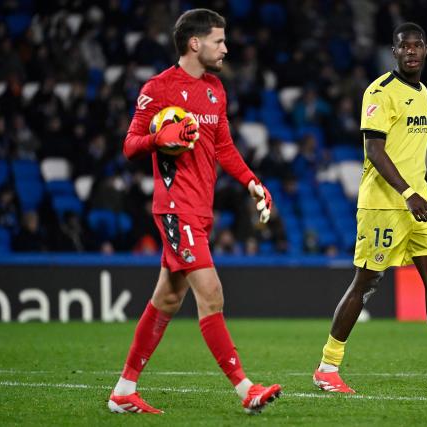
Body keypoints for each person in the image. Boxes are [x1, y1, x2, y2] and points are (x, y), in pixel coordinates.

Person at [108, 9, 281, 415]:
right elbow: (130, 145)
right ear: (194, 43)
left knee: (167, 299)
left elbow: (223, 148)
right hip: (175, 208)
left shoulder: (216, 90)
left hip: (200, 210)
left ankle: (123, 390)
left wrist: (253, 182)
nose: (226, 47)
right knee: (212, 294)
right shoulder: (159, 87)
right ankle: (246, 390)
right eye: (219, 41)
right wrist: (157, 137)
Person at [313, 22, 427, 394]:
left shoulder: (425, 93)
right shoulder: (380, 92)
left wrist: (417, 193)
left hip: (418, 200)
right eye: (403, 46)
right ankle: (327, 367)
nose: (411, 51)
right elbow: (374, 150)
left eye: (417, 45)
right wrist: (408, 192)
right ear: (393, 52)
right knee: (366, 283)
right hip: (384, 203)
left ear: (426, 49)